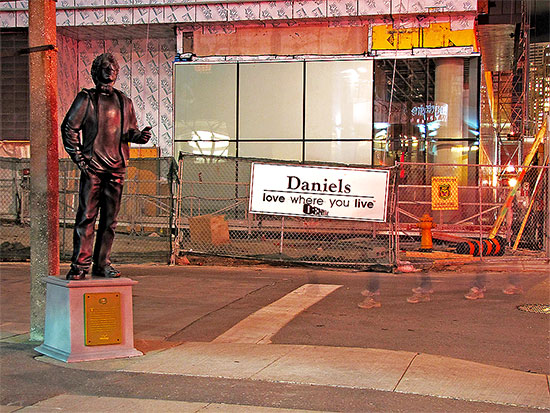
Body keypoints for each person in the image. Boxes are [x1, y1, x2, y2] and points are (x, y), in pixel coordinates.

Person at [61, 53, 151, 280]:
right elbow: (69, 128)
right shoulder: (86, 98)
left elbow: (129, 131)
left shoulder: (125, 101)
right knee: (87, 217)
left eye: (113, 66)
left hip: (116, 168)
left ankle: (102, 263)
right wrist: (79, 157)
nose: (110, 69)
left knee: (110, 221)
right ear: (95, 71)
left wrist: (140, 137)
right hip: (93, 168)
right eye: (104, 66)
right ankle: (80, 266)